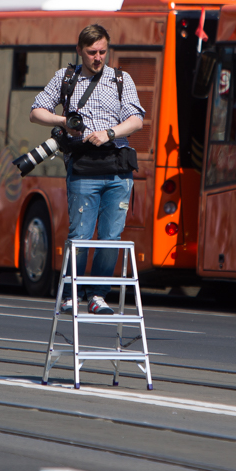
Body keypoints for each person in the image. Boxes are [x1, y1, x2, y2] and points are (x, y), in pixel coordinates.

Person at [30, 24, 145, 316]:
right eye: (92, 52)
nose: (98, 57)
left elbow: (136, 119)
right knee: (80, 234)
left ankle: (98, 296)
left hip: (118, 168)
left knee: (111, 237)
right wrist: (63, 121)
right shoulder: (66, 77)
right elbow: (36, 111)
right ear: (80, 50)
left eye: (103, 51)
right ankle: (72, 294)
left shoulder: (121, 79)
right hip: (82, 168)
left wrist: (109, 132)